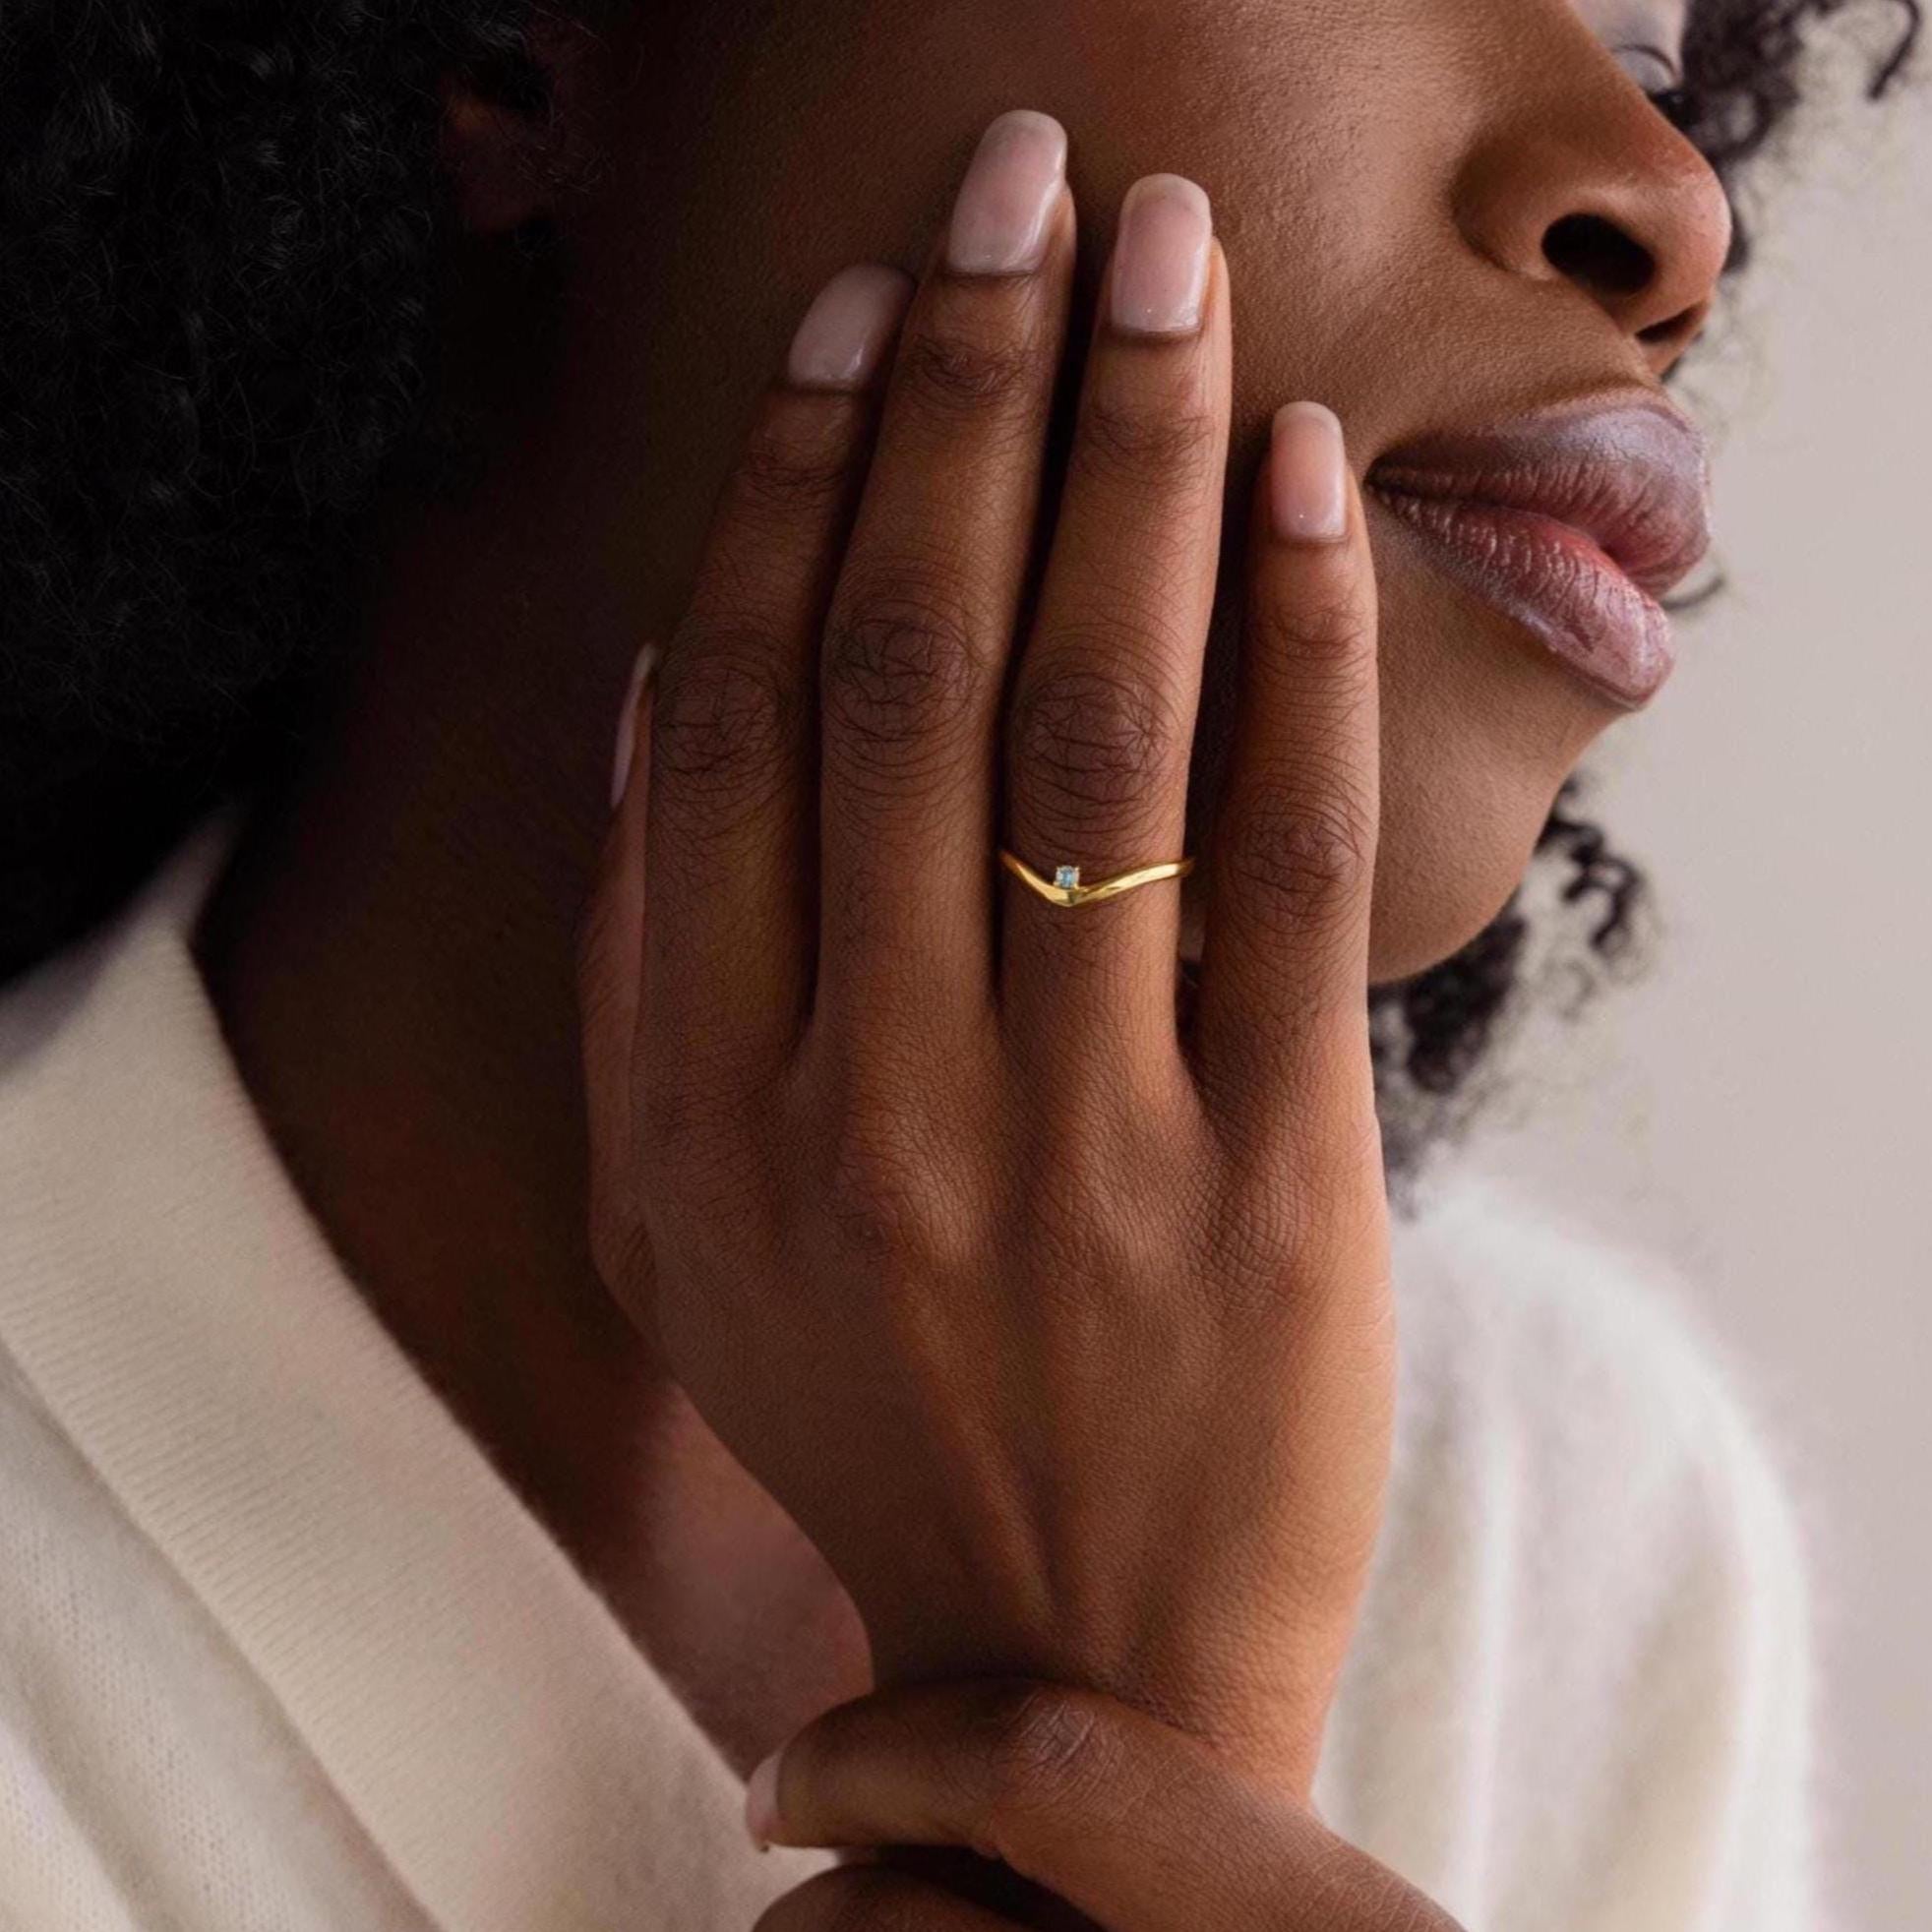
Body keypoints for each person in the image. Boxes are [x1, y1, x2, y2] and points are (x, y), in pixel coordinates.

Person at [0, 4, 1914, 1928]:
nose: (1668, 210)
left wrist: (1158, 1720)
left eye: (1663, 63)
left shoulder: (1565, 1519)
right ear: (507, 44)